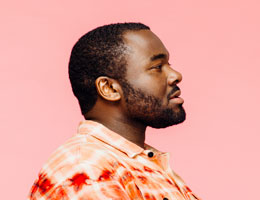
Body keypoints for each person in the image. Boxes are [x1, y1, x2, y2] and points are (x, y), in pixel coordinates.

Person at [28, 22, 200, 200]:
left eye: (168, 64)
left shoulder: (142, 164)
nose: (175, 75)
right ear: (109, 88)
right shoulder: (86, 168)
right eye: (157, 67)